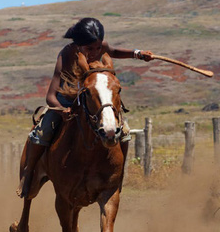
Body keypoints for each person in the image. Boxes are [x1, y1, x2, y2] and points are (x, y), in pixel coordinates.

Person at [18, 17, 154, 198]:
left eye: (98, 48)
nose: (95, 52)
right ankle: (29, 173)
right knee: (42, 132)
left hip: (95, 104)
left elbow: (114, 51)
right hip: (65, 104)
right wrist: (61, 110)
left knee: (125, 131)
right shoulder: (66, 54)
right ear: (79, 45)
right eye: (90, 49)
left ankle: (118, 175)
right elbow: (50, 97)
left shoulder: (101, 47)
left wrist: (138, 53)